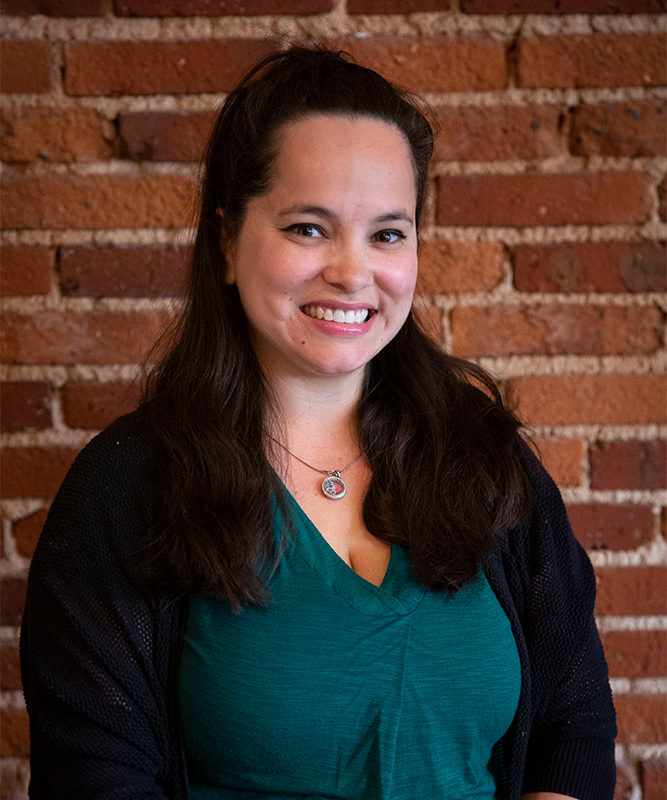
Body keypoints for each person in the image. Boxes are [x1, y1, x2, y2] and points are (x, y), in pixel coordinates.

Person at [20, 47, 616, 799]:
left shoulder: (483, 458)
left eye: (388, 233)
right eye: (308, 228)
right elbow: (94, 776)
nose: (352, 271)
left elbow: (573, 716)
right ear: (228, 239)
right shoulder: (126, 487)